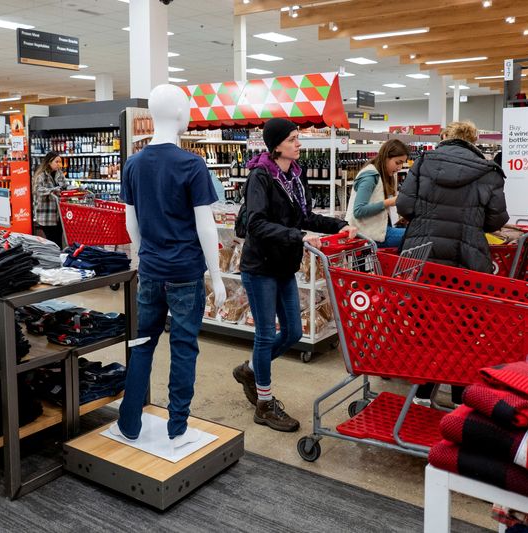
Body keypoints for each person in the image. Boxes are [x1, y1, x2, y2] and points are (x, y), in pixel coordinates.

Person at [110, 84, 226, 448]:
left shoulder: (134, 163)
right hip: (185, 273)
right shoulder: (192, 164)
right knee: (184, 347)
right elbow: (205, 226)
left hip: (151, 271)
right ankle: (178, 428)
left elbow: (131, 223)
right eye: (188, 106)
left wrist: (143, 254)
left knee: (142, 343)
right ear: (178, 113)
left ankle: (129, 422)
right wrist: (218, 276)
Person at [233, 117, 357, 432]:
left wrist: (338, 225)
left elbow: (304, 216)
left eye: (298, 138)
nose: (298, 144)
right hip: (260, 267)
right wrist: (298, 236)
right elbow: (256, 224)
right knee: (264, 335)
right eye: (292, 139)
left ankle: (249, 370)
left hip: (284, 266)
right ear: (276, 146)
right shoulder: (260, 178)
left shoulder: (294, 178)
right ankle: (264, 403)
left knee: (291, 332)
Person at [396, 120, 508, 407]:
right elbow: (496, 219)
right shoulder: (489, 171)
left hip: (422, 256)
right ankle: (459, 400)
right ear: (473, 140)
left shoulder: (423, 163)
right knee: (463, 329)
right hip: (466, 258)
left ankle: (421, 396)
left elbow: (405, 207)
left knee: (425, 327)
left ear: (445, 138)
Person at [345, 139, 409, 248]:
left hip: (379, 230)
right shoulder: (370, 176)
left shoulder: (381, 175)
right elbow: (358, 210)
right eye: (397, 163)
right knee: (417, 236)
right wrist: (388, 202)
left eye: (402, 163)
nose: (400, 168)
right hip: (367, 235)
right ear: (386, 157)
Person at [31, 151, 67, 247]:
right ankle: (54, 259)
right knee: (53, 241)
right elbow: (37, 190)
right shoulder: (41, 175)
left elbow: (64, 187)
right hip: (46, 216)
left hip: (59, 215)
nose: (59, 164)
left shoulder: (60, 174)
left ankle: (58, 259)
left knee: (59, 241)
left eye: (60, 162)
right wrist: (53, 190)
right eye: (57, 162)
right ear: (49, 162)